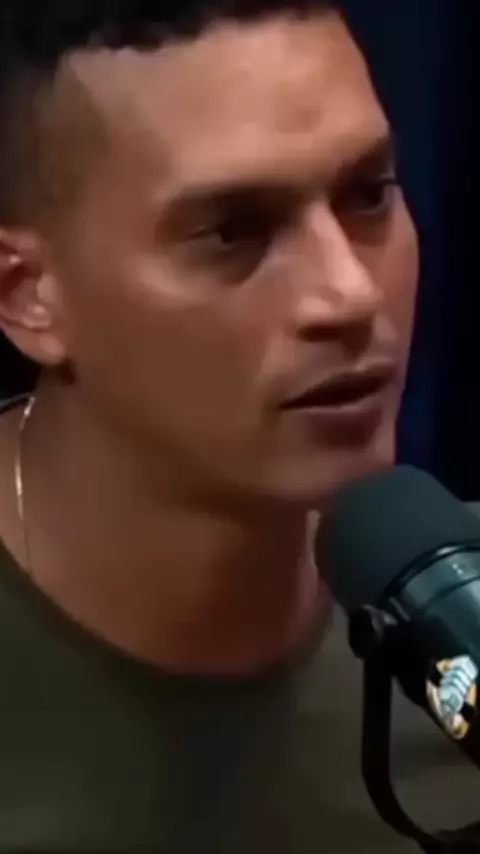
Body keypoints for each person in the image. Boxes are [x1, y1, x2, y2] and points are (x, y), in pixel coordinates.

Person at [0, 2, 477, 851]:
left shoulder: (461, 630)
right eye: (232, 232)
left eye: (369, 196)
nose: (349, 295)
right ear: (28, 295)